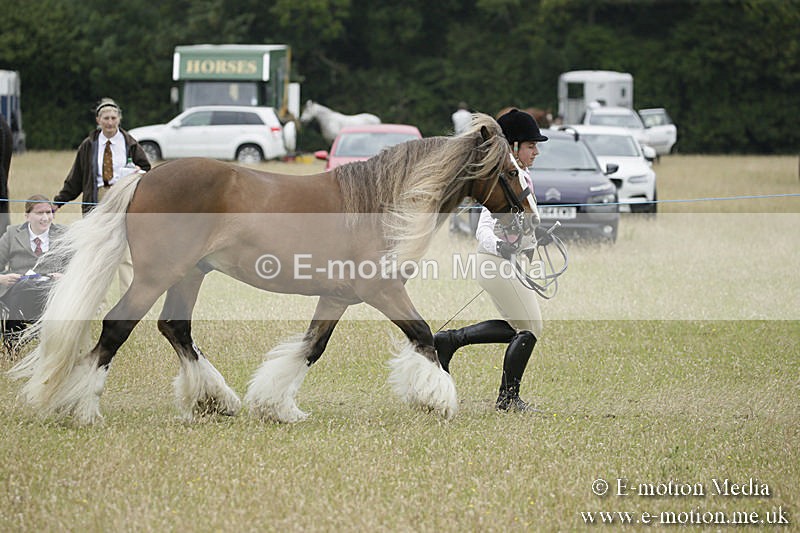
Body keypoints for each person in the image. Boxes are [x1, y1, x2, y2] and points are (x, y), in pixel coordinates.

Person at [435, 108, 551, 412]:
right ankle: (507, 399)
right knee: (530, 328)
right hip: (493, 261)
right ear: (513, 147)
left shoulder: (523, 176)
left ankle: (449, 341)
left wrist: (537, 236)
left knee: (518, 327)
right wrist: (501, 247)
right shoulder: (507, 178)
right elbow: (484, 226)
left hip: (500, 263)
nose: (536, 151)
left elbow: (522, 222)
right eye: (530, 145)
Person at [53, 98, 151, 296]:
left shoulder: (130, 143)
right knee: (97, 253)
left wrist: (139, 172)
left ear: (119, 119)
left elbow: (147, 169)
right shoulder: (89, 145)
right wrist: (57, 202)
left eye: (114, 117)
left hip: (123, 199)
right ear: (98, 120)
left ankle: (129, 302)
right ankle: (97, 301)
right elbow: (76, 179)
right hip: (97, 199)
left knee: (125, 254)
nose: (110, 122)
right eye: (106, 118)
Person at [0, 195, 67, 348]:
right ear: (27, 216)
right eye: (39, 213)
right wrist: (3, 279)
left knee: (43, 291)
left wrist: (65, 277)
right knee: (22, 289)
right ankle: (12, 343)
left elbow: (78, 266)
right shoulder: (12, 234)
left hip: (50, 290)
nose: (45, 218)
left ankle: (49, 342)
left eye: (49, 212)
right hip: (18, 290)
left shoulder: (63, 234)